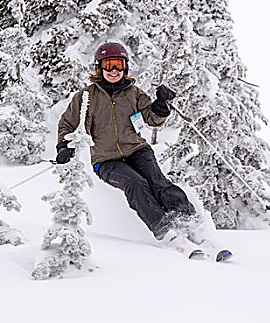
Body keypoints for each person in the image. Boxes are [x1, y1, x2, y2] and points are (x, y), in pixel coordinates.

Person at [55, 42, 212, 251]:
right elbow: (67, 123)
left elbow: (152, 119)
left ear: (125, 67)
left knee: (158, 182)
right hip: (106, 160)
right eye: (108, 65)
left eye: (118, 65)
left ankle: (189, 222)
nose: (113, 71)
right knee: (136, 185)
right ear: (99, 67)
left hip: (137, 150)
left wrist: (160, 106)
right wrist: (64, 145)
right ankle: (166, 231)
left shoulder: (134, 93)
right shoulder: (86, 96)